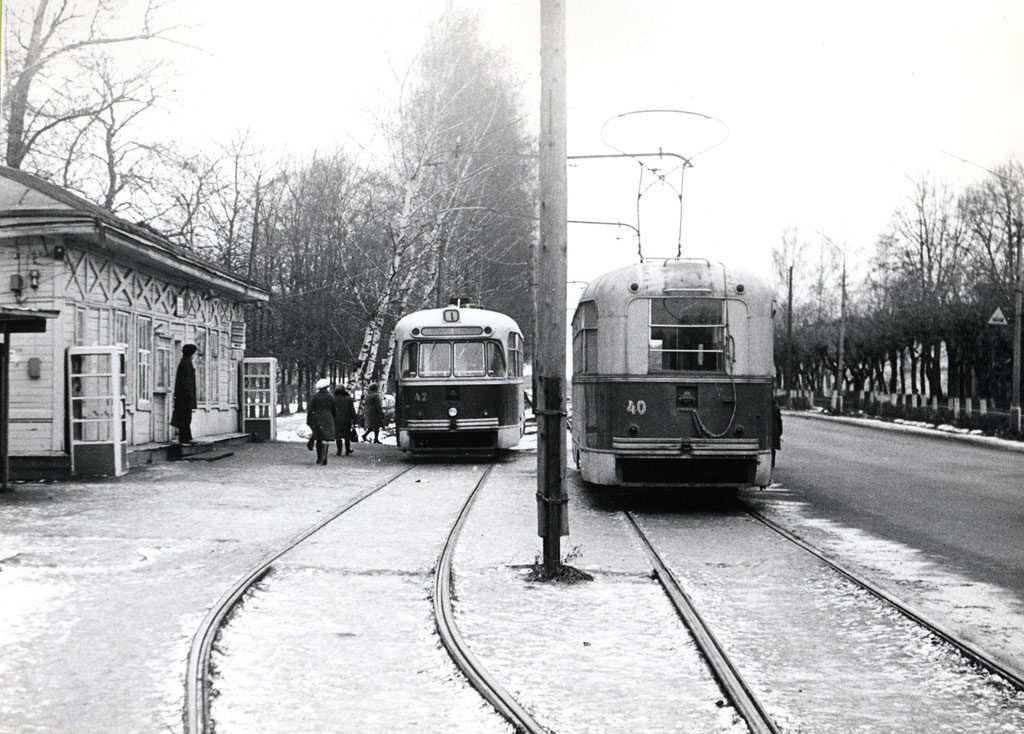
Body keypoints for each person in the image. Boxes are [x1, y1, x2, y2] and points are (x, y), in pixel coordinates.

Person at [171, 344, 198, 444]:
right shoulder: (186, 364)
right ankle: (184, 438)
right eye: (193, 353)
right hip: (184, 398)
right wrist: (189, 394)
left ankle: (186, 437)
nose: (194, 355)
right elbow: (186, 381)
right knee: (185, 418)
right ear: (191, 353)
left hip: (182, 398)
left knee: (185, 417)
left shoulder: (185, 363)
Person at [306, 378, 337, 465]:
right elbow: (334, 409)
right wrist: (333, 418)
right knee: (326, 439)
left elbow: (310, 409)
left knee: (318, 438)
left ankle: (319, 458)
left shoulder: (315, 397)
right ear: (327, 387)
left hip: (317, 419)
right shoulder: (331, 397)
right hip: (328, 418)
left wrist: (308, 421)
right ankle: (325, 457)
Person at [333, 386, 356, 456]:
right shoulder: (349, 399)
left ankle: (339, 450)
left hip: (336, 419)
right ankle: (347, 450)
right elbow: (352, 410)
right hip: (346, 419)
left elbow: (332, 409)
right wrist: (355, 419)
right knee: (347, 435)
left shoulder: (333, 399)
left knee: (338, 435)